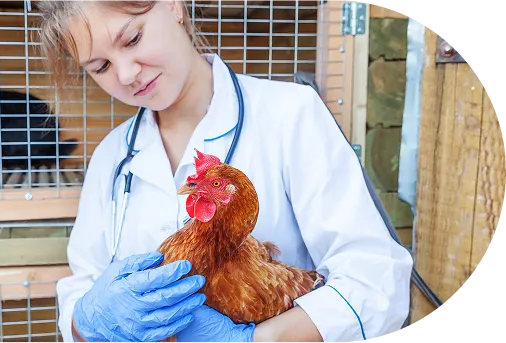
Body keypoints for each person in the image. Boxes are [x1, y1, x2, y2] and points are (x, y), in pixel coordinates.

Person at [35, 0, 414, 342]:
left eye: (132, 39)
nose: (127, 73)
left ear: (173, 6)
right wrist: (87, 321)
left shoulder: (290, 115)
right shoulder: (111, 158)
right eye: (100, 67)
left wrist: (255, 341)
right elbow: (81, 288)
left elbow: (376, 282)